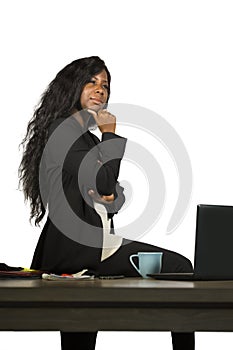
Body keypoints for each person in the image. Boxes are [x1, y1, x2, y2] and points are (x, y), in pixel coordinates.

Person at [18, 56, 195, 350]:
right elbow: (102, 182)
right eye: (92, 82)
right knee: (179, 266)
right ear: (73, 87)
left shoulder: (82, 137)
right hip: (80, 250)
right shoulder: (64, 131)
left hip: (93, 243)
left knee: (81, 327)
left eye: (105, 85)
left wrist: (113, 194)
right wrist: (110, 132)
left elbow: (109, 191)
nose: (101, 90)